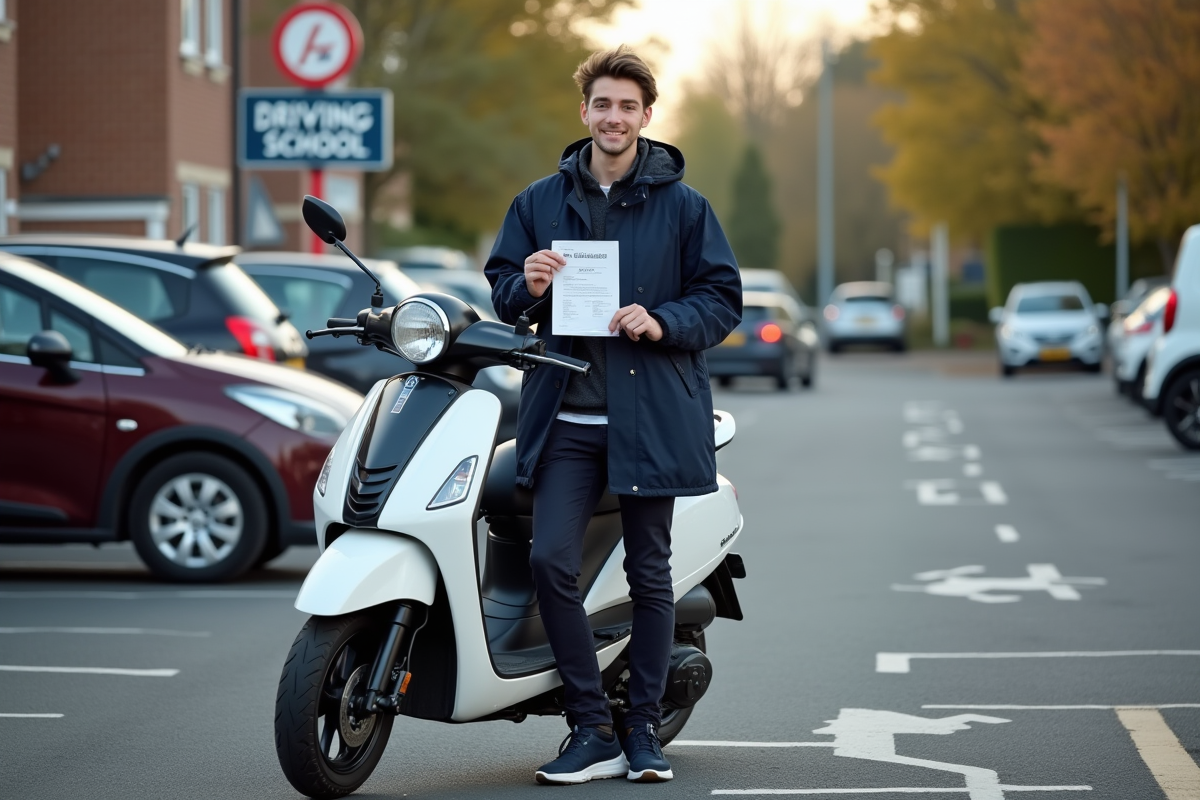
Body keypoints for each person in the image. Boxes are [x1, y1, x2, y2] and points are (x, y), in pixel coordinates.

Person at [485, 45, 742, 785]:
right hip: (565, 417)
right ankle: (590, 728)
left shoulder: (685, 207)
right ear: (585, 112)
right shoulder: (539, 202)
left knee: (652, 576)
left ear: (647, 117)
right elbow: (504, 289)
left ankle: (643, 733)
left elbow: (722, 298)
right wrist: (527, 284)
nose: (615, 117)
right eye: (603, 104)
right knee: (548, 562)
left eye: (628, 106)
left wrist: (662, 321)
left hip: (651, 417)